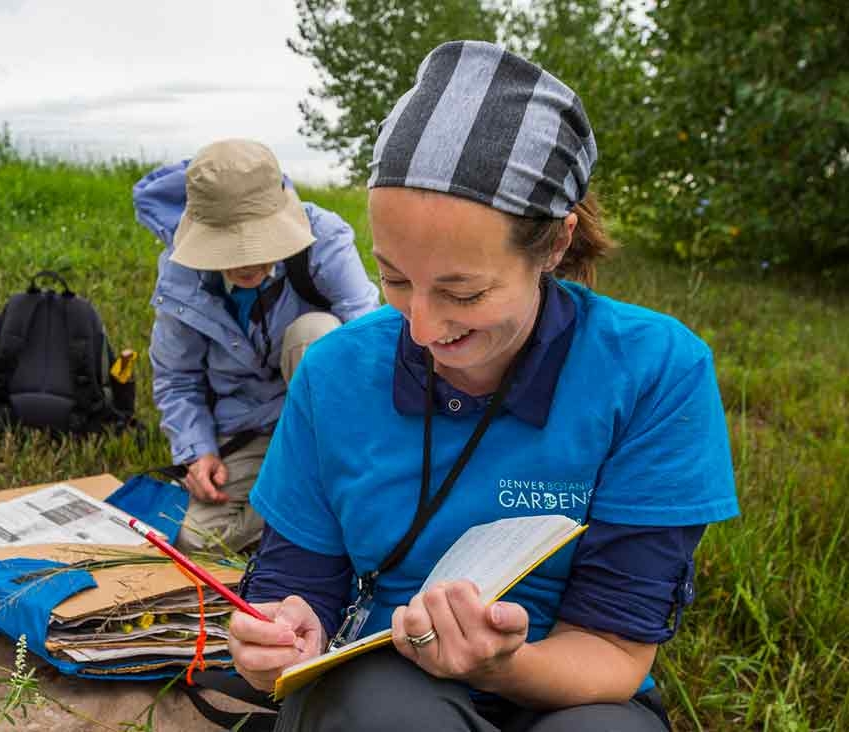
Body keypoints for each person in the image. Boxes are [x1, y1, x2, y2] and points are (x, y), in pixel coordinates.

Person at [227, 41, 739, 731]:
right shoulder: (336, 371)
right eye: (397, 280)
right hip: (381, 685)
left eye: (462, 293)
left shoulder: (656, 372)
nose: (420, 330)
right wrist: (279, 638)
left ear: (555, 246)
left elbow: (615, 650)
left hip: (574, 687)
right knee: (382, 712)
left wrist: (497, 664)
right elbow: (299, 595)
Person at [133, 139, 380, 552]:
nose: (247, 262)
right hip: (248, 431)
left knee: (318, 334)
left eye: (259, 243)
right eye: (227, 247)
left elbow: (367, 340)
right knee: (199, 538)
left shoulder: (325, 239)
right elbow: (178, 380)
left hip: (325, 421)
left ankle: (326, 480)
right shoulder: (180, 275)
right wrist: (198, 453)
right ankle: (314, 505)